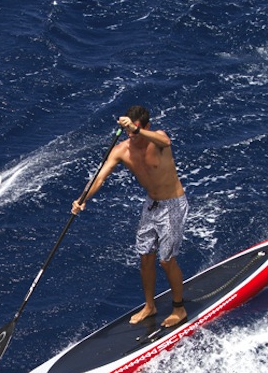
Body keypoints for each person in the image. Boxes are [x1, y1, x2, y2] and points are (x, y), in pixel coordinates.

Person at [71, 105, 189, 328]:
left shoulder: (157, 139)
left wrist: (137, 131)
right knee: (145, 257)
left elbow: (166, 142)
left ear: (146, 127)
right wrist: (82, 199)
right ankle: (149, 306)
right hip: (151, 207)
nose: (131, 136)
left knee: (166, 260)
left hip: (173, 205)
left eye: (135, 131)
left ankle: (179, 308)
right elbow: (99, 178)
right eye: (128, 132)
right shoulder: (122, 150)